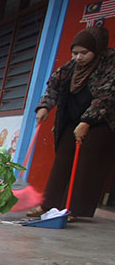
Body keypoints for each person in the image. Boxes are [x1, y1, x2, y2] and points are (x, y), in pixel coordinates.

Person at [27, 26, 115, 219]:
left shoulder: (109, 64)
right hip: (72, 118)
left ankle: (72, 209)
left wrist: (87, 122)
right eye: (75, 53)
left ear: (96, 49)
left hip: (101, 121)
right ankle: (48, 206)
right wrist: (44, 107)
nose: (78, 57)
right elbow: (53, 87)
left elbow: (106, 96)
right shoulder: (70, 68)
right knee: (63, 158)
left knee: (87, 162)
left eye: (84, 53)